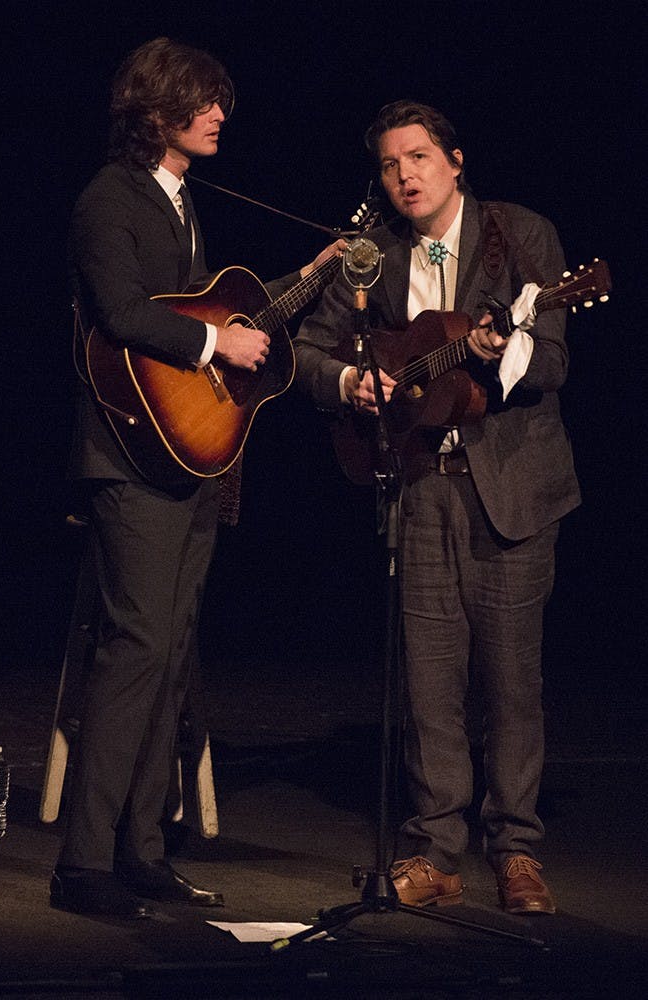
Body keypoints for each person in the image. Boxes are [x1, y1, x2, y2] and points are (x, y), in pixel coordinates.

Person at [51, 37, 341, 919]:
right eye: (205, 101)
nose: (221, 114)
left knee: (172, 654)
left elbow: (206, 310)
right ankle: (83, 864)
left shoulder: (180, 202)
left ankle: (142, 850)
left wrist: (315, 277)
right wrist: (219, 343)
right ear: (158, 110)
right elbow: (123, 312)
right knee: (135, 650)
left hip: (188, 461)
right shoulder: (112, 198)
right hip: (131, 465)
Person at [293, 99, 581, 914]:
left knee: (511, 681)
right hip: (418, 485)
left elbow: (554, 361)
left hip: (513, 490)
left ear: (455, 160)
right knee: (427, 683)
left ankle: (517, 851)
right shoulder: (372, 254)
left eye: (417, 157)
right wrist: (352, 382)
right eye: (389, 164)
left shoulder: (521, 236)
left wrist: (500, 351)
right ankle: (436, 850)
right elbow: (310, 349)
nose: (404, 176)